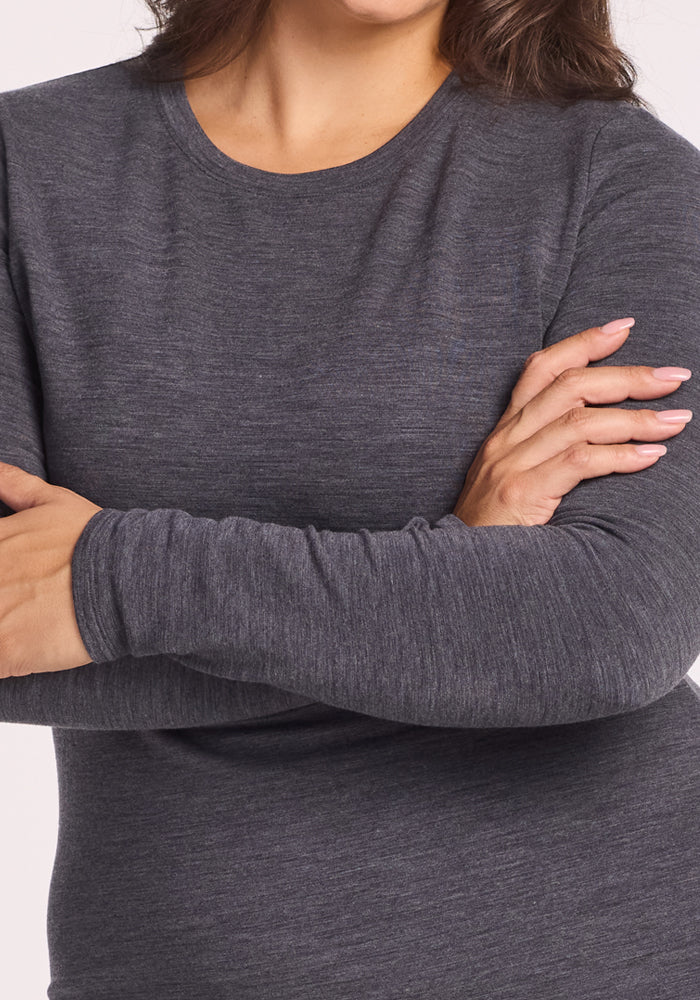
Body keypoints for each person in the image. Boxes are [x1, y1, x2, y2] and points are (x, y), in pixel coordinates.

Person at [0, 0, 698, 996]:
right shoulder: (24, 165)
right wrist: (457, 565)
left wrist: (117, 582)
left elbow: (612, 627)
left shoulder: (616, 177)